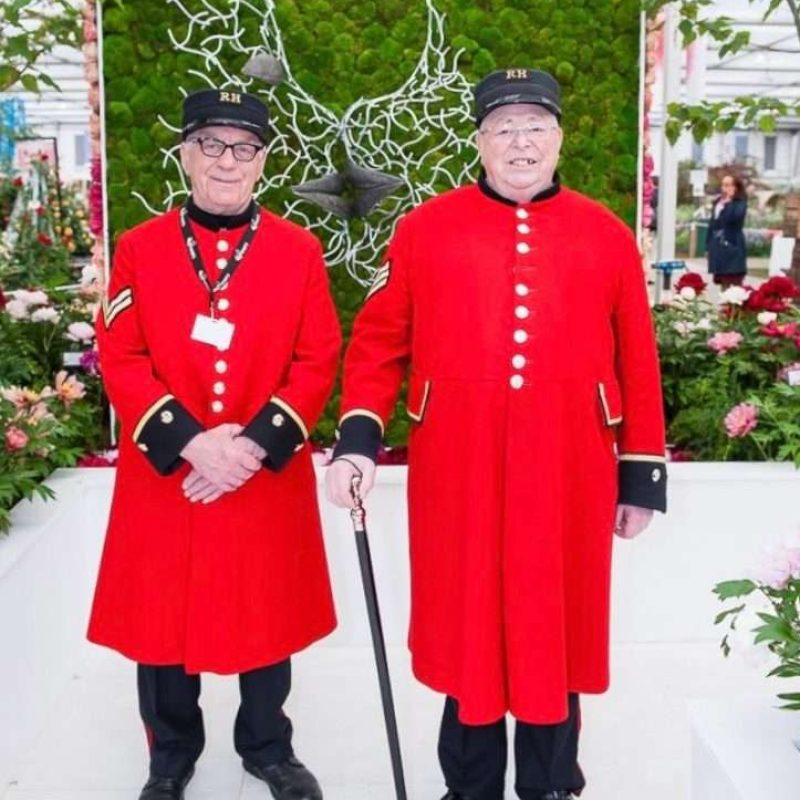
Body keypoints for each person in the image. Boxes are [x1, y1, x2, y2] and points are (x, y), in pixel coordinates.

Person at [326, 68, 667, 800]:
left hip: (570, 467)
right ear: (479, 141)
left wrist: (640, 476)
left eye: (535, 126)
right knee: (471, 623)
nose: (520, 142)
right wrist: (356, 441)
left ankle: (548, 784)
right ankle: (470, 786)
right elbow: (379, 343)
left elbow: (637, 357)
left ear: (559, 138)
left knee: (553, 624)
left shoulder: (606, 234)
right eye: (503, 128)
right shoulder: (424, 229)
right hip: (460, 465)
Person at [88, 89, 341, 800]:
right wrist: (192, 443)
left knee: (268, 608)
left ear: (263, 161)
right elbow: (123, 355)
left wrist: (255, 446)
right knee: (162, 617)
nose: (227, 162)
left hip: (262, 470)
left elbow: (319, 357)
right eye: (211, 145)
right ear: (184, 155)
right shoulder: (139, 248)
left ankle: (268, 747)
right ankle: (170, 753)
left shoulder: (298, 250)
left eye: (244, 148)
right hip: (170, 471)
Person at [706, 173, 748, 286]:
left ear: (735, 187)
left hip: (732, 244)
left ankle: (734, 302)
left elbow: (733, 218)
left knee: (734, 281)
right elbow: (712, 224)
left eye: (728, 185)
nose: (724, 188)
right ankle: (724, 302)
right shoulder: (718, 203)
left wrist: (729, 202)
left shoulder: (739, 203)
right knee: (723, 281)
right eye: (723, 185)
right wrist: (708, 246)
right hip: (718, 246)